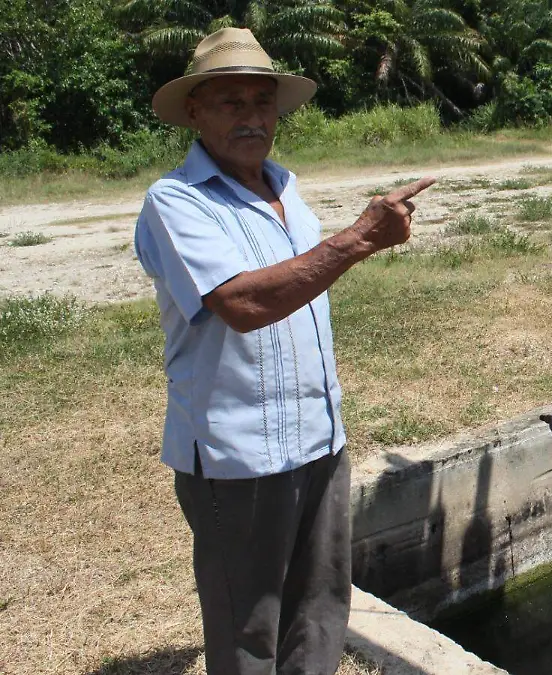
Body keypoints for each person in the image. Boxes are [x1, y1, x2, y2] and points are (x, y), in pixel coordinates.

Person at [133, 27, 434, 675]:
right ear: (195, 112)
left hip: (319, 441)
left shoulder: (285, 188)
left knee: (322, 607)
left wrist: (353, 240)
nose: (251, 117)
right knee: (249, 627)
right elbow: (242, 304)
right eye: (230, 102)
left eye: (261, 102)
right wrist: (359, 238)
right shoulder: (175, 202)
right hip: (236, 456)